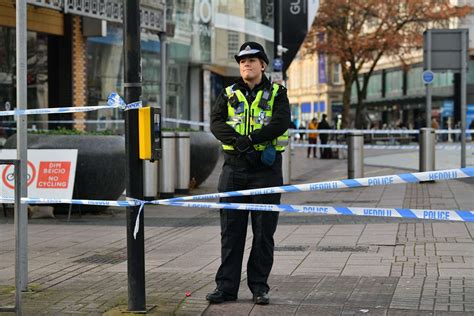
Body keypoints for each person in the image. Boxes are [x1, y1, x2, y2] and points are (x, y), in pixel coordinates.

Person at [208, 41, 290, 305]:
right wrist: (240, 142)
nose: (246, 64)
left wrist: (251, 139)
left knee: (264, 232)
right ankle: (226, 288)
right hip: (234, 169)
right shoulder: (229, 92)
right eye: (242, 61)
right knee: (231, 232)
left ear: (263, 65)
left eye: (252, 60)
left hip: (265, 170)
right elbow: (216, 122)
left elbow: (280, 122)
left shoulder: (278, 93)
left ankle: (259, 287)